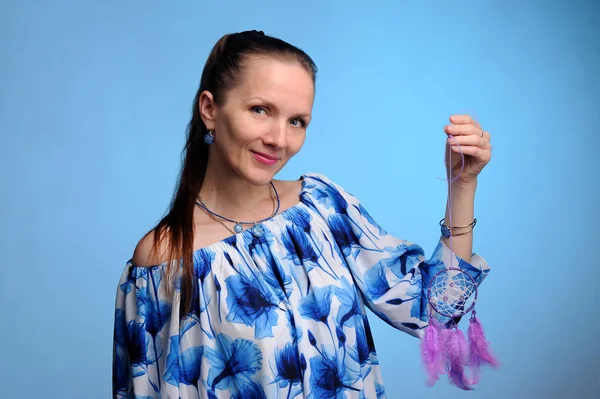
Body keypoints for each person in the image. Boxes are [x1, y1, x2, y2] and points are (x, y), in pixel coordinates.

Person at [112, 30, 492, 399]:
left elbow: (441, 315)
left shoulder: (322, 208)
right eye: (260, 110)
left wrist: (462, 186)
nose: (279, 139)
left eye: (297, 121)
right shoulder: (167, 258)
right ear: (210, 109)